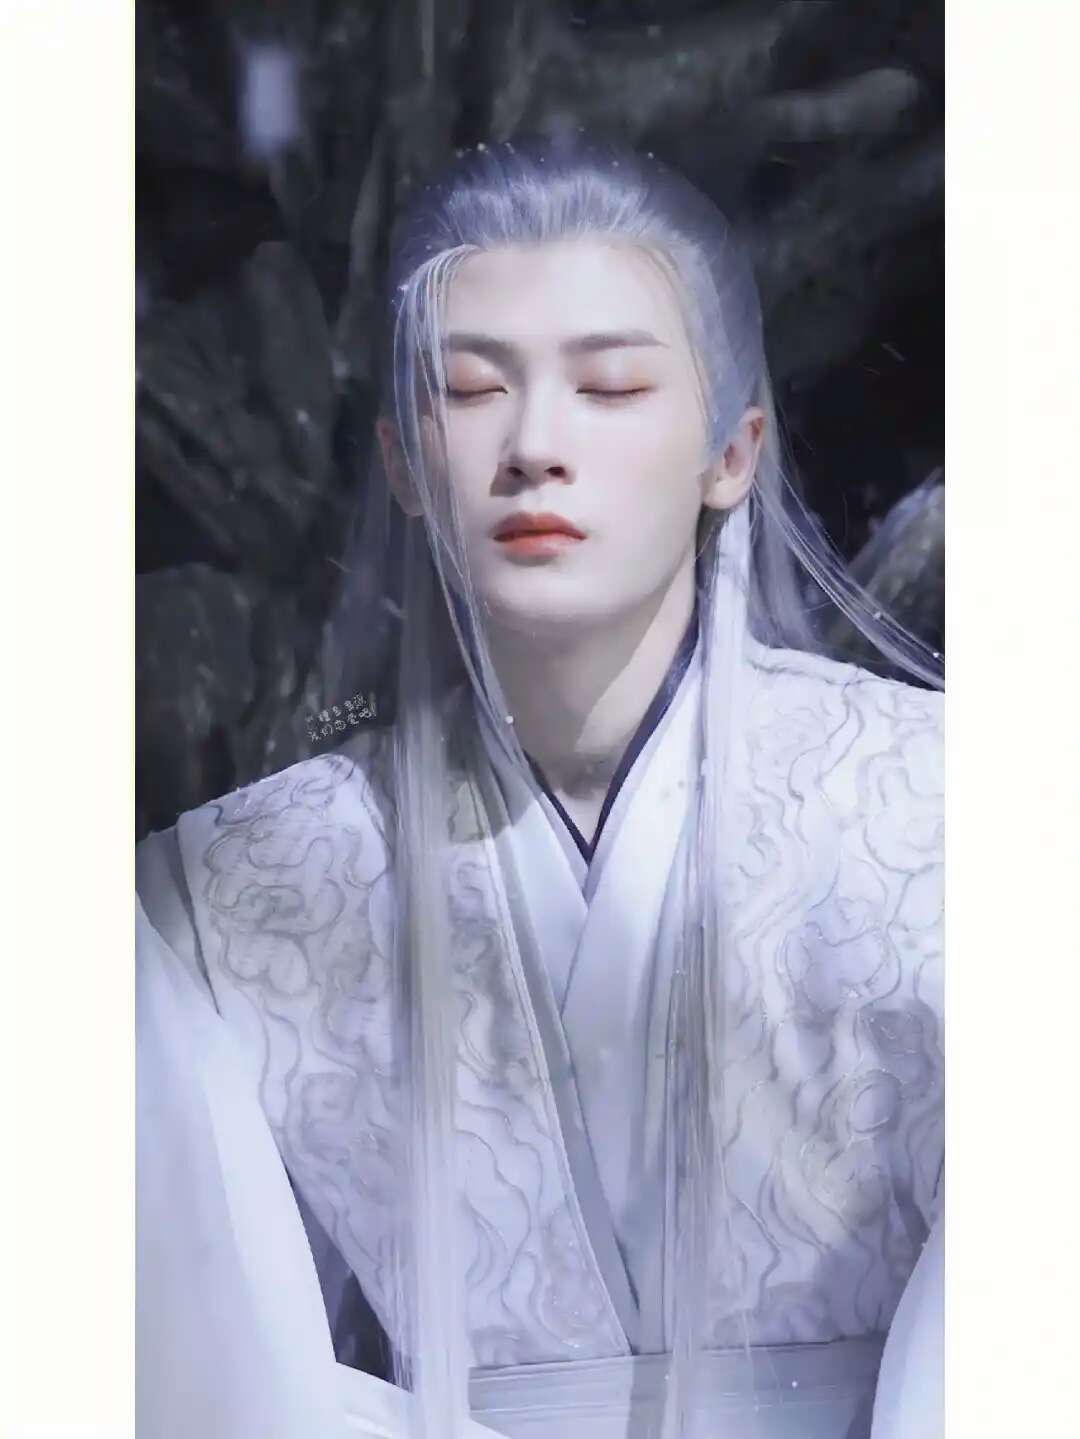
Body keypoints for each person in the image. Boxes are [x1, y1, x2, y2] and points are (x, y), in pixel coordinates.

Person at [135, 137, 944, 1439]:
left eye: (610, 385)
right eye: (470, 390)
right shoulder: (222, 899)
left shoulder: (953, 811)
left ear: (732, 452)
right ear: (404, 464)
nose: (534, 446)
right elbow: (200, 1366)